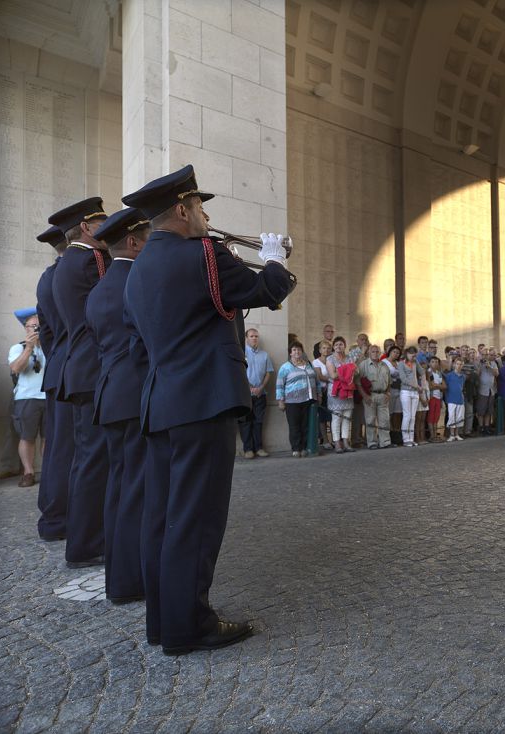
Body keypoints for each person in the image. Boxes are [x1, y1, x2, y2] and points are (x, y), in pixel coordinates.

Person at [122, 164, 296, 654]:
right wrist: (275, 258)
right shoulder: (204, 253)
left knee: (163, 517)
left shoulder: (136, 273)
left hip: (160, 405)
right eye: (200, 206)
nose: (204, 215)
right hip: (203, 401)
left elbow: (140, 349)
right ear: (182, 208)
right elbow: (266, 290)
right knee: (197, 518)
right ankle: (189, 626)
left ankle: (164, 621)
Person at [85, 208, 151, 603]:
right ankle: (132, 581)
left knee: (118, 490)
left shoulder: (99, 288)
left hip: (109, 395)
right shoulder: (136, 282)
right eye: (146, 238)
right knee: (138, 492)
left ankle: (119, 578)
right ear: (132, 242)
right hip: (134, 395)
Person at [47, 197, 111, 569]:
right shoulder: (91, 260)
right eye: (103, 222)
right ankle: (86, 544)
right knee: (93, 461)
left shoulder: (68, 263)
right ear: (87, 227)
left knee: (86, 460)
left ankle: (85, 537)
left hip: (81, 368)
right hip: (92, 369)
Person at [33, 226, 73, 540]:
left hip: (58, 367)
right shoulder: (73, 273)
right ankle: (58, 518)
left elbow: (46, 332)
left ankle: (53, 514)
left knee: (58, 448)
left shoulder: (47, 277)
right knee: (67, 448)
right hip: (75, 370)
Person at [8, 310, 46, 489]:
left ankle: (48, 471)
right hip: (26, 398)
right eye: (34, 326)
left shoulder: (50, 347)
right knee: (27, 437)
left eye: (40, 326)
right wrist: (29, 348)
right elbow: (16, 368)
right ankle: (28, 472)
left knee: (49, 437)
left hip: (49, 397)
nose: (37, 329)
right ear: (26, 328)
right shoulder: (18, 347)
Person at [276, 341, 317, 457]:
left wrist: (318, 394)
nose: (297, 352)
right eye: (294, 350)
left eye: (298, 349)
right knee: (294, 426)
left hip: (308, 399)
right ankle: (296, 448)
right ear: (290, 353)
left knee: (305, 425)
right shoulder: (285, 367)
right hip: (292, 402)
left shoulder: (308, 364)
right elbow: (279, 384)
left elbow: (316, 380)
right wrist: (280, 401)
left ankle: (304, 447)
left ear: (302, 351)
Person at [240, 329, 274, 459]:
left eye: (256, 336)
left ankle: (259, 448)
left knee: (258, 422)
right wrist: (249, 387)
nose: (254, 338)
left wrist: (261, 387)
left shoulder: (264, 355)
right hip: (245, 394)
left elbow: (268, 373)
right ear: (246, 338)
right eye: (251, 336)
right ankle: (248, 449)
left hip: (261, 394)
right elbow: (239, 372)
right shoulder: (241, 353)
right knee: (245, 422)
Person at [357, 344, 392, 449]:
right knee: (370, 420)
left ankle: (385, 442)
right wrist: (364, 396)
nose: (375, 353)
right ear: (368, 353)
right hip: (370, 396)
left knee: (384, 420)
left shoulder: (384, 365)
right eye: (373, 351)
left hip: (383, 395)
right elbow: (358, 382)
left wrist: (388, 393)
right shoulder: (363, 365)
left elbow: (389, 382)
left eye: (377, 352)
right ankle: (372, 442)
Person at [326, 336, 355, 454]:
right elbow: (333, 375)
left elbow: (355, 371)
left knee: (347, 418)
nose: (339, 346)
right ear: (333, 347)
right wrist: (347, 371)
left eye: (341, 344)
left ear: (345, 346)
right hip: (336, 392)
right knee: (337, 418)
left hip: (348, 390)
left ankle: (346, 441)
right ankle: (337, 442)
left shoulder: (349, 358)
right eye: (336, 344)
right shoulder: (330, 359)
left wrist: (345, 371)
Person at [398, 346, 423, 447]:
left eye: (415, 355)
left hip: (415, 392)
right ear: (407, 354)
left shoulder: (415, 362)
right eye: (412, 355)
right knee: (407, 415)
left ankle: (411, 438)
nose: (414, 357)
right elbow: (403, 379)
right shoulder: (401, 363)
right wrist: (416, 386)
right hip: (406, 392)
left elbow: (422, 372)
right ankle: (405, 439)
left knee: (413, 417)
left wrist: (423, 383)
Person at [443, 358, 466, 442]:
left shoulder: (463, 376)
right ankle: (451, 435)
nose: (459, 366)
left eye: (461, 364)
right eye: (457, 364)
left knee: (459, 417)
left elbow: (462, 387)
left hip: (460, 399)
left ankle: (457, 434)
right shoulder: (449, 375)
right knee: (452, 416)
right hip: (451, 399)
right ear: (454, 365)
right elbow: (445, 387)